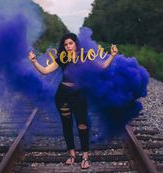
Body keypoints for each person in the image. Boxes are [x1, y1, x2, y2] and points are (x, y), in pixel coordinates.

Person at [28, 33, 118, 169]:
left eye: (70, 43)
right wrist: (34, 62)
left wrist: (112, 55)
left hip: (79, 94)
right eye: (65, 44)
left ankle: (85, 156)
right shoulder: (62, 59)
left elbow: (102, 66)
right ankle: (72, 155)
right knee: (67, 124)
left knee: (82, 124)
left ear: (76, 43)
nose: (68, 46)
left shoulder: (86, 56)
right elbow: (45, 71)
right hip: (63, 95)